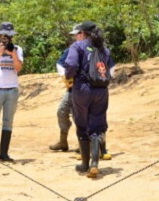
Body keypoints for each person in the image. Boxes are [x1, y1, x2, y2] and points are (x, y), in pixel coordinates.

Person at [64, 21, 115, 178]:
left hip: (82, 89)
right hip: (101, 90)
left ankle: (85, 163)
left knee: (81, 123)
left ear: (82, 32)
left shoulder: (77, 46)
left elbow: (70, 64)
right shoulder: (103, 49)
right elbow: (109, 69)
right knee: (97, 125)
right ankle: (95, 163)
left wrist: (69, 77)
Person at [0, 22, 24, 163]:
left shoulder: (17, 49)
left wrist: (12, 54)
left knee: (8, 122)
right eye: (3, 36)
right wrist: (0, 54)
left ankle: (4, 154)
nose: (5, 39)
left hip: (12, 89)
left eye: (8, 36)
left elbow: (18, 68)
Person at [49, 24, 82, 152]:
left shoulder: (91, 50)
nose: (75, 37)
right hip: (71, 89)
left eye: (77, 34)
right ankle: (63, 142)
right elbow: (60, 63)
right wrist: (66, 78)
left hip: (83, 89)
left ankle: (83, 144)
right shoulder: (71, 50)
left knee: (78, 116)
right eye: (75, 35)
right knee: (61, 111)